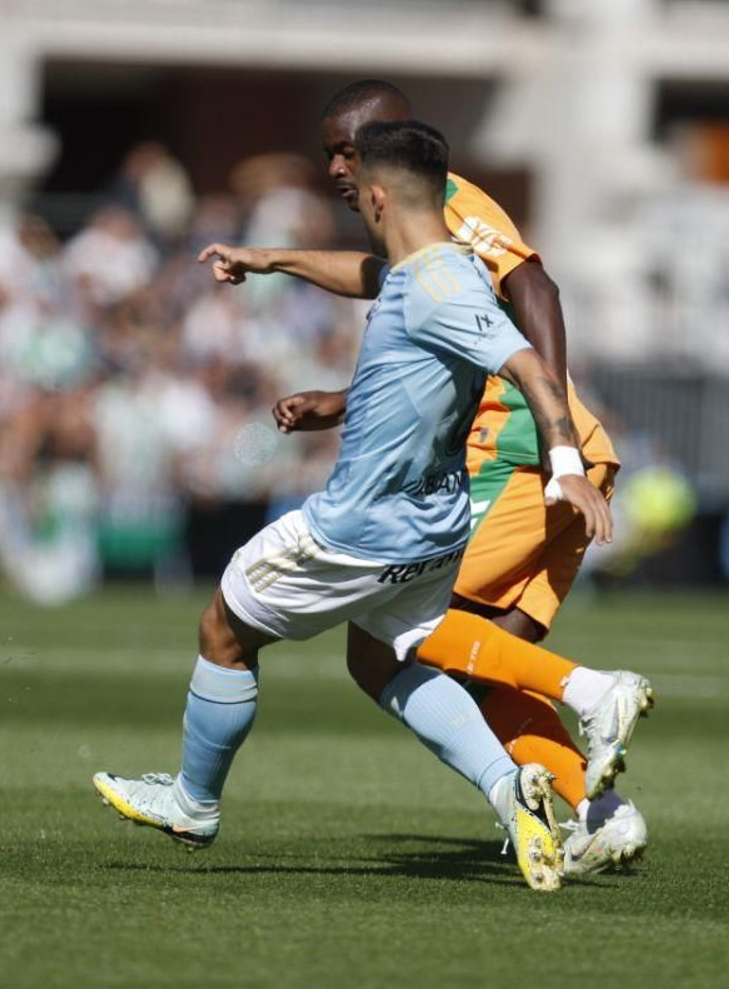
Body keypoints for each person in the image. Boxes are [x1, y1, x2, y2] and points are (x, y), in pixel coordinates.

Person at [92, 121, 612, 892]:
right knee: (381, 660)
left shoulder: (436, 286)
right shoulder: (442, 266)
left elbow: (531, 367)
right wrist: (272, 263)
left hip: (358, 529)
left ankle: (193, 804)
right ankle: (513, 793)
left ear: (376, 193)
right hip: (434, 533)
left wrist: (565, 460)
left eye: (351, 175)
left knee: (223, 630)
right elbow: (377, 283)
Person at [273, 81, 649, 873]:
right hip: (545, 451)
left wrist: (558, 451)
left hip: (522, 449)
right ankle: (598, 812)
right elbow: (413, 311)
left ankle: (595, 692)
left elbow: (533, 289)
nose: (336, 168)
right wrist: (338, 399)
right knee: (467, 663)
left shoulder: (448, 200)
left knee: (383, 632)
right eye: (329, 153)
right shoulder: (413, 231)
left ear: (391, 142)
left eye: (347, 149)